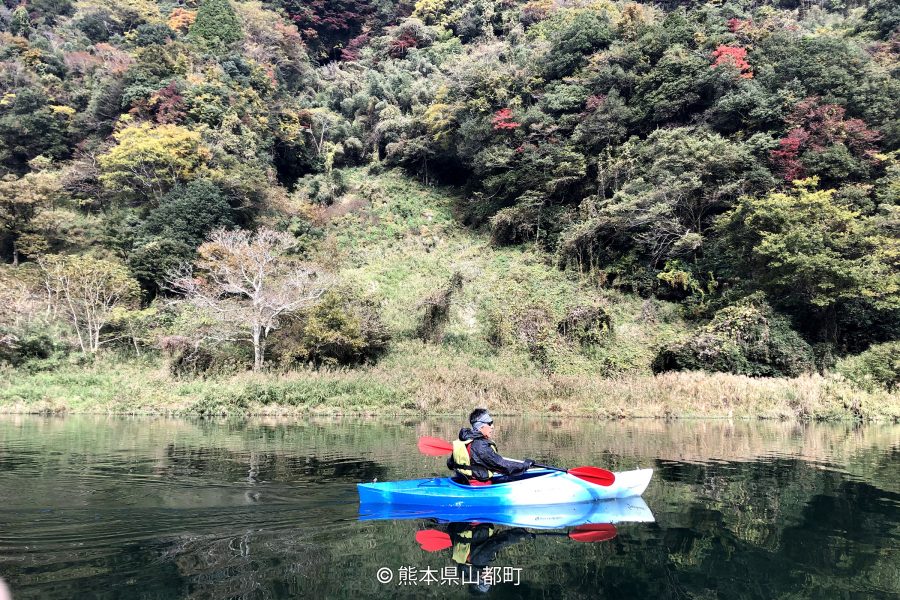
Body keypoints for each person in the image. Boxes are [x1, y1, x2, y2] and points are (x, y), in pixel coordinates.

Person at [447, 408, 534, 482]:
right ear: (481, 426)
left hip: (463, 482)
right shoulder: (481, 446)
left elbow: (450, 464)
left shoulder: (464, 440)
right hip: (478, 487)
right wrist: (525, 465)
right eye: (489, 423)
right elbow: (502, 466)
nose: (492, 426)